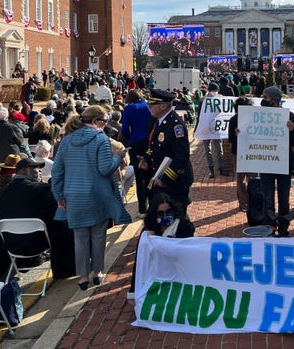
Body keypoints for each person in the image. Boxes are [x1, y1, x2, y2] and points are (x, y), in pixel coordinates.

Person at [52, 105, 131, 291]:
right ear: (96, 122)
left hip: (73, 195)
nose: (105, 124)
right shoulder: (101, 139)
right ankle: (97, 272)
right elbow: (105, 169)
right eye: (104, 121)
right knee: (98, 235)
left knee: (79, 238)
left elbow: (57, 171)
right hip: (96, 195)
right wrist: (119, 157)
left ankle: (83, 276)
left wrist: (59, 195)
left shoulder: (66, 140)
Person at [127, 192, 195, 302]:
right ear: (154, 215)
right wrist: (133, 291)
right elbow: (140, 260)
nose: (165, 216)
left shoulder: (182, 227)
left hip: (179, 275)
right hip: (158, 277)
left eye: (168, 212)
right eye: (160, 213)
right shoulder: (148, 233)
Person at [254, 86, 294, 237]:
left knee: (284, 199)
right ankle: (270, 229)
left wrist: (293, 130)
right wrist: (240, 132)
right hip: (266, 162)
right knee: (268, 198)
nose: (263, 100)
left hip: (284, 163)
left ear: (274, 100)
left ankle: (284, 229)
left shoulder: (289, 116)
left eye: (266, 97)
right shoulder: (257, 116)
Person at [136, 89, 194, 208]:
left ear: (162, 106)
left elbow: (182, 156)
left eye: (152, 104)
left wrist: (166, 179)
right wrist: (146, 158)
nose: (149, 106)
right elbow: (155, 146)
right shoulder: (158, 121)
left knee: (177, 221)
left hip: (173, 183)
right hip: (160, 178)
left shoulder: (175, 125)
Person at [120, 89, 153, 213]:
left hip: (136, 142)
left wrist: (130, 139)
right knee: (151, 173)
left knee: (140, 177)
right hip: (150, 141)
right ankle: (153, 203)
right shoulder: (148, 105)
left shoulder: (129, 108)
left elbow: (124, 130)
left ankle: (142, 209)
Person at [228, 96, 254, 212]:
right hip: (238, 152)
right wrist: (235, 134)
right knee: (240, 178)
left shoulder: (254, 120)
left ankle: (253, 200)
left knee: (253, 177)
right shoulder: (233, 120)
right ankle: (243, 202)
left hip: (252, 151)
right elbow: (230, 139)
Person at [200, 82, 226, 178]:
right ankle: (211, 169)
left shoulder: (219, 98)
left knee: (219, 148)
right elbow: (200, 112)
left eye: (216, 90)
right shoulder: (205, 100)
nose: (215, 92)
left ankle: (221, 168)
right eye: (213, 90)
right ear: (209, 91)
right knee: (208, 149)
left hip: (216, 126)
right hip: (206, 127)